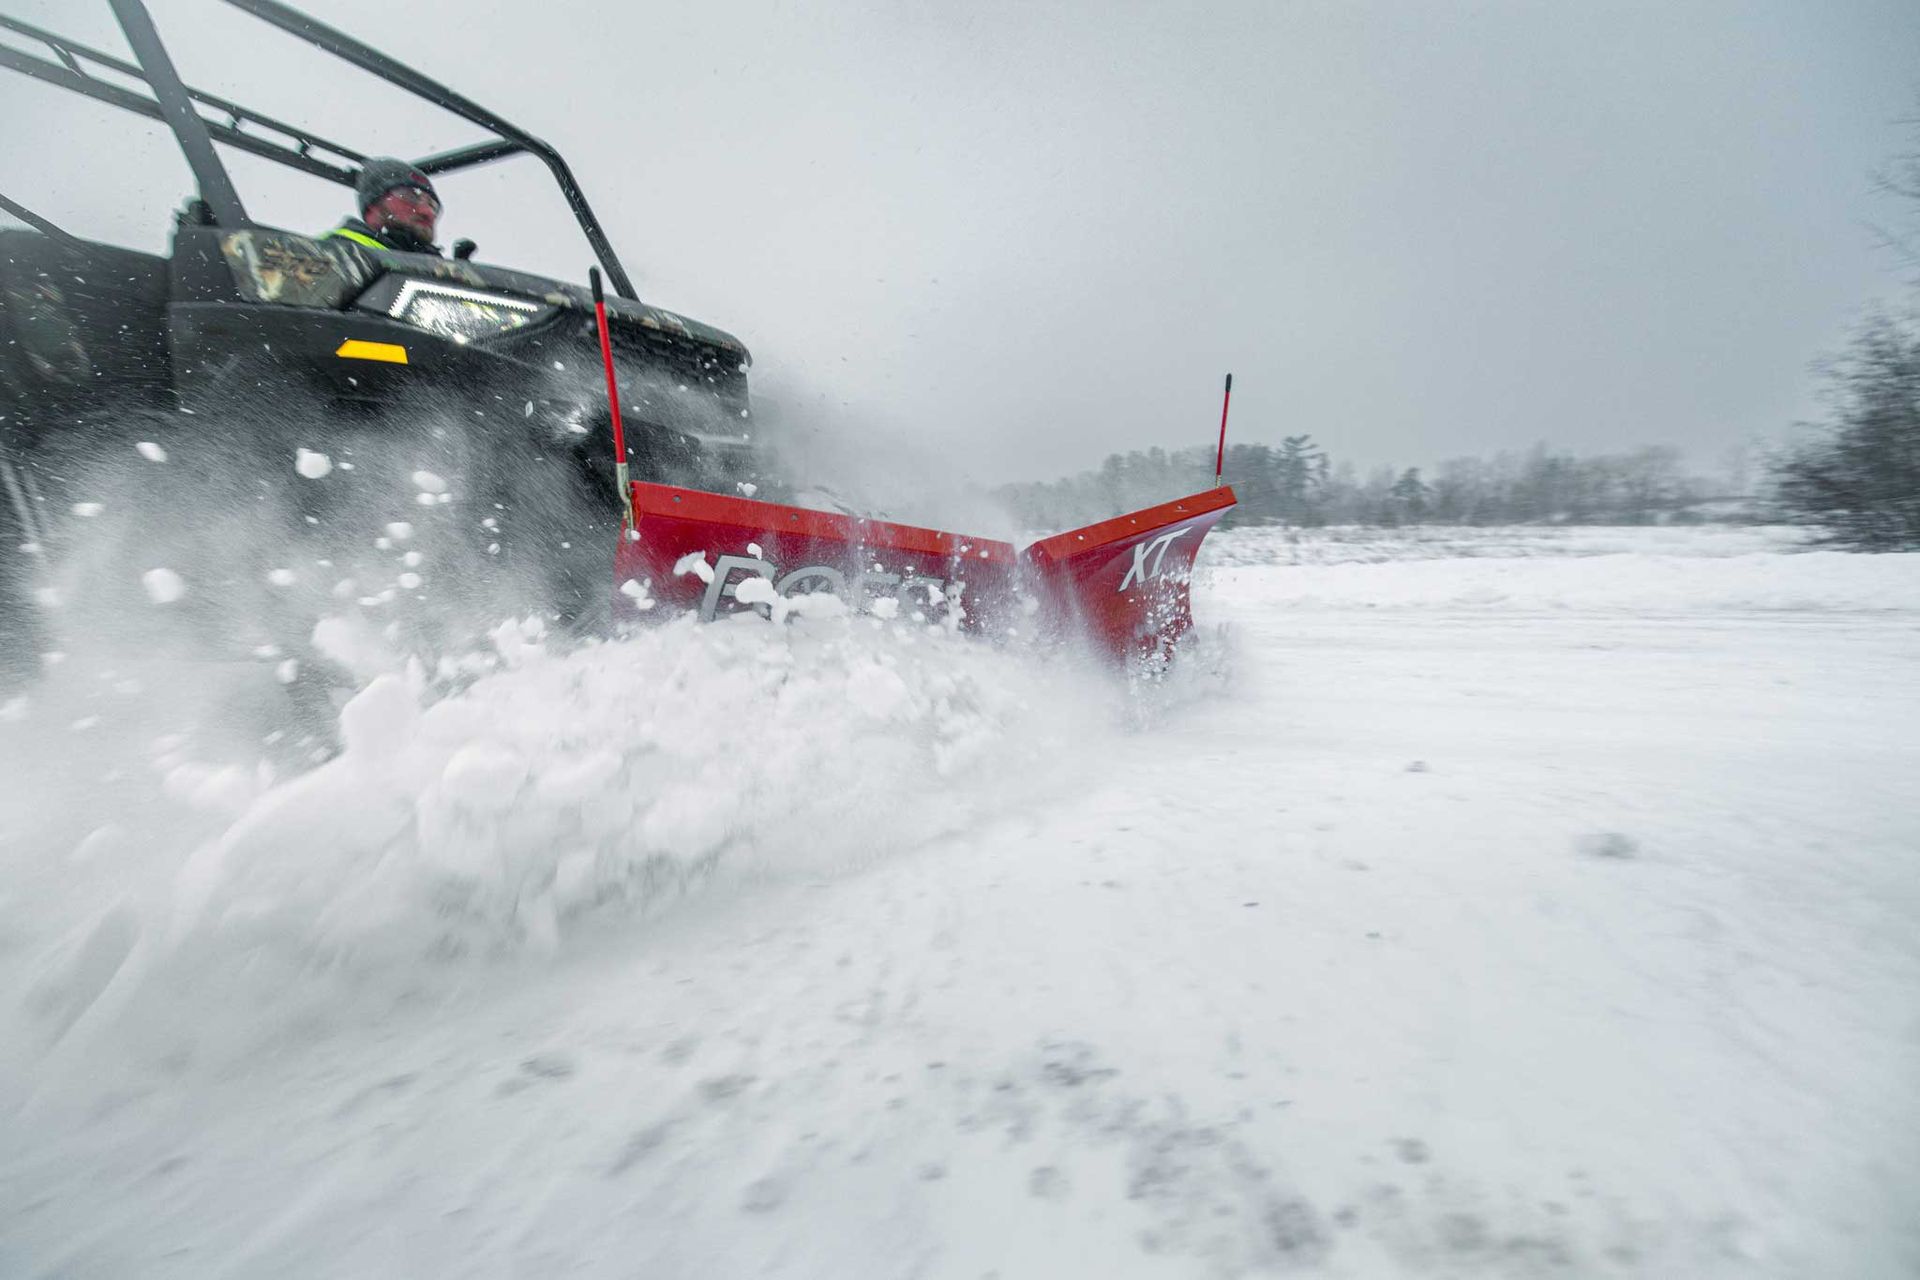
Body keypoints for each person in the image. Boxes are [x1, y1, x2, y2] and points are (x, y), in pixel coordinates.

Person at [326, 157, 441, 255]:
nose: (428, 212)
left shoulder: (444, 271)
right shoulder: (334, 252)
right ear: (373, 206)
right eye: (411, 196)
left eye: (432, 205)